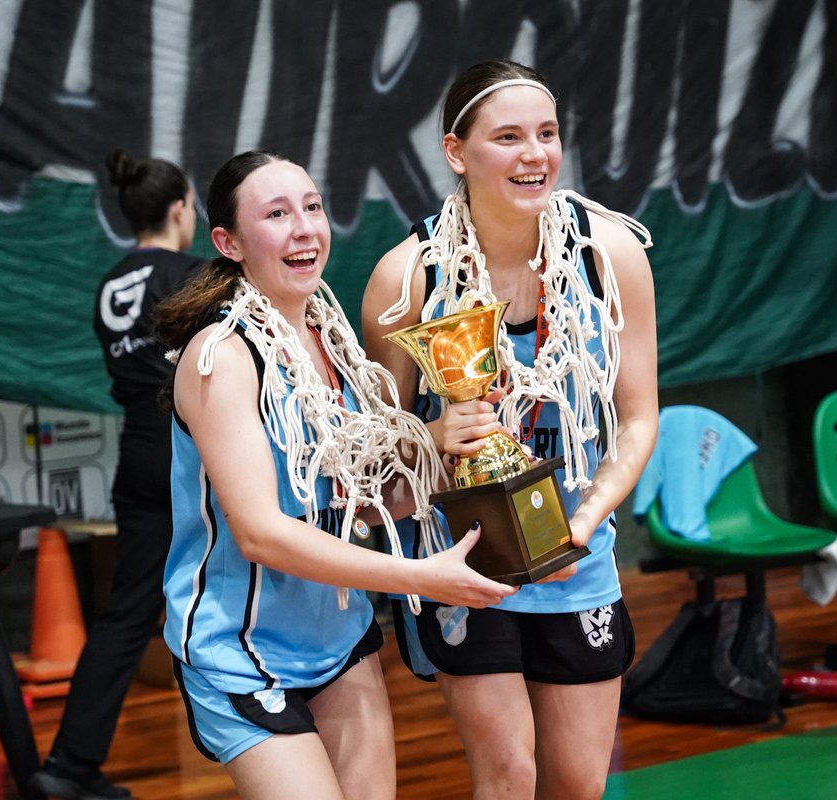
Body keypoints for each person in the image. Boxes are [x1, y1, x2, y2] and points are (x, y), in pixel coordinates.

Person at [152, 150, 516, 800]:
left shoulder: (330, 339)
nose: (303, 227)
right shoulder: (221, 355)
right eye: (276, 213)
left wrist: (448, 460)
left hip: (336, 635)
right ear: (228, 242)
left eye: (312, 207)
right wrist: (421, 577)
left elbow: (356, 505)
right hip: (241, 652)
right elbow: (262, 534)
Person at [362, 60, 658, 800]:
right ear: (457, 152)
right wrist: (431, 435)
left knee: (577, 785)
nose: (535, 154)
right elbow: (374, 457)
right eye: (509, 137)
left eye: (548, 134)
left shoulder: (610, 254)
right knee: (507, 777)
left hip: (578, 558)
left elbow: (640, 414)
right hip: (463, 566)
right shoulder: (408, 278)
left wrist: (585, 522)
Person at [31, 149, 202, 800]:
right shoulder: (193, 274)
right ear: (181, 207)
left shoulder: (110, 284)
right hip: (192, 448)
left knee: (127, 613)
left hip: (137, 449)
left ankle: (68, 765)